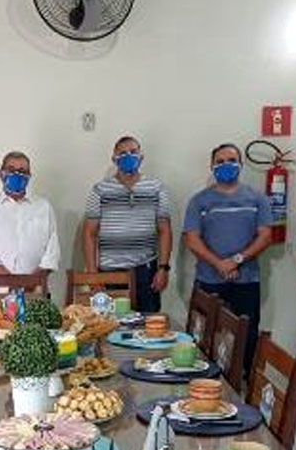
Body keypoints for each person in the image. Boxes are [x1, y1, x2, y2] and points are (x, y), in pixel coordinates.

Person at [183, 143, 273, 375]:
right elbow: (192, 239)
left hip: (246, 281)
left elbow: (265, 236)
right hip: (209, 280)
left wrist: (236, 260)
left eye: (232, 160)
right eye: (220, 161)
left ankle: (243, 385)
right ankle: (203, 382)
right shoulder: (199, 201)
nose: (226, 165)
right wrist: (219, 264)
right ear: (212, 166)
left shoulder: (257, 199)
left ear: (241, 164)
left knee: (247, 337)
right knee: (205, 335)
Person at [83, 136, 172, 312]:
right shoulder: (100, 190)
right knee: (110, 323)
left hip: (146, 271)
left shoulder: (156, 188)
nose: (128, 156)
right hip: (110, 272)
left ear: (141, 156)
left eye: (133, 152)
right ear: (114, 159)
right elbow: (89, 234)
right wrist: (93, 276)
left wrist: (163, 268)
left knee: (148, 323)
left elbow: (165, 231)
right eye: (122, 153)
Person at [0, 151, 60, 274]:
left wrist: (31, 281)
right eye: (11, 170)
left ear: (29, 176)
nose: (17, 175)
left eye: (22, 171)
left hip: (36, 284)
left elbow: (52, 252)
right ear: (1, 174)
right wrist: (12, 282)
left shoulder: (43, 207)